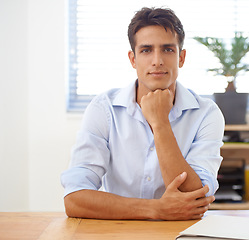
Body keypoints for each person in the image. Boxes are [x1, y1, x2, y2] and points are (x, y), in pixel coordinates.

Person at [61, 7, 224, 220]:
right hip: (118, 231)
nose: (157, 60)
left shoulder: (206, 114)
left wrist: (160, 122)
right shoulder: (104, 108)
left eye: (168, 49)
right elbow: (74, 199)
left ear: (181, 58)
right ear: (133, 59)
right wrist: (156, 209)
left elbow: (193, 198)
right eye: (146, 50)